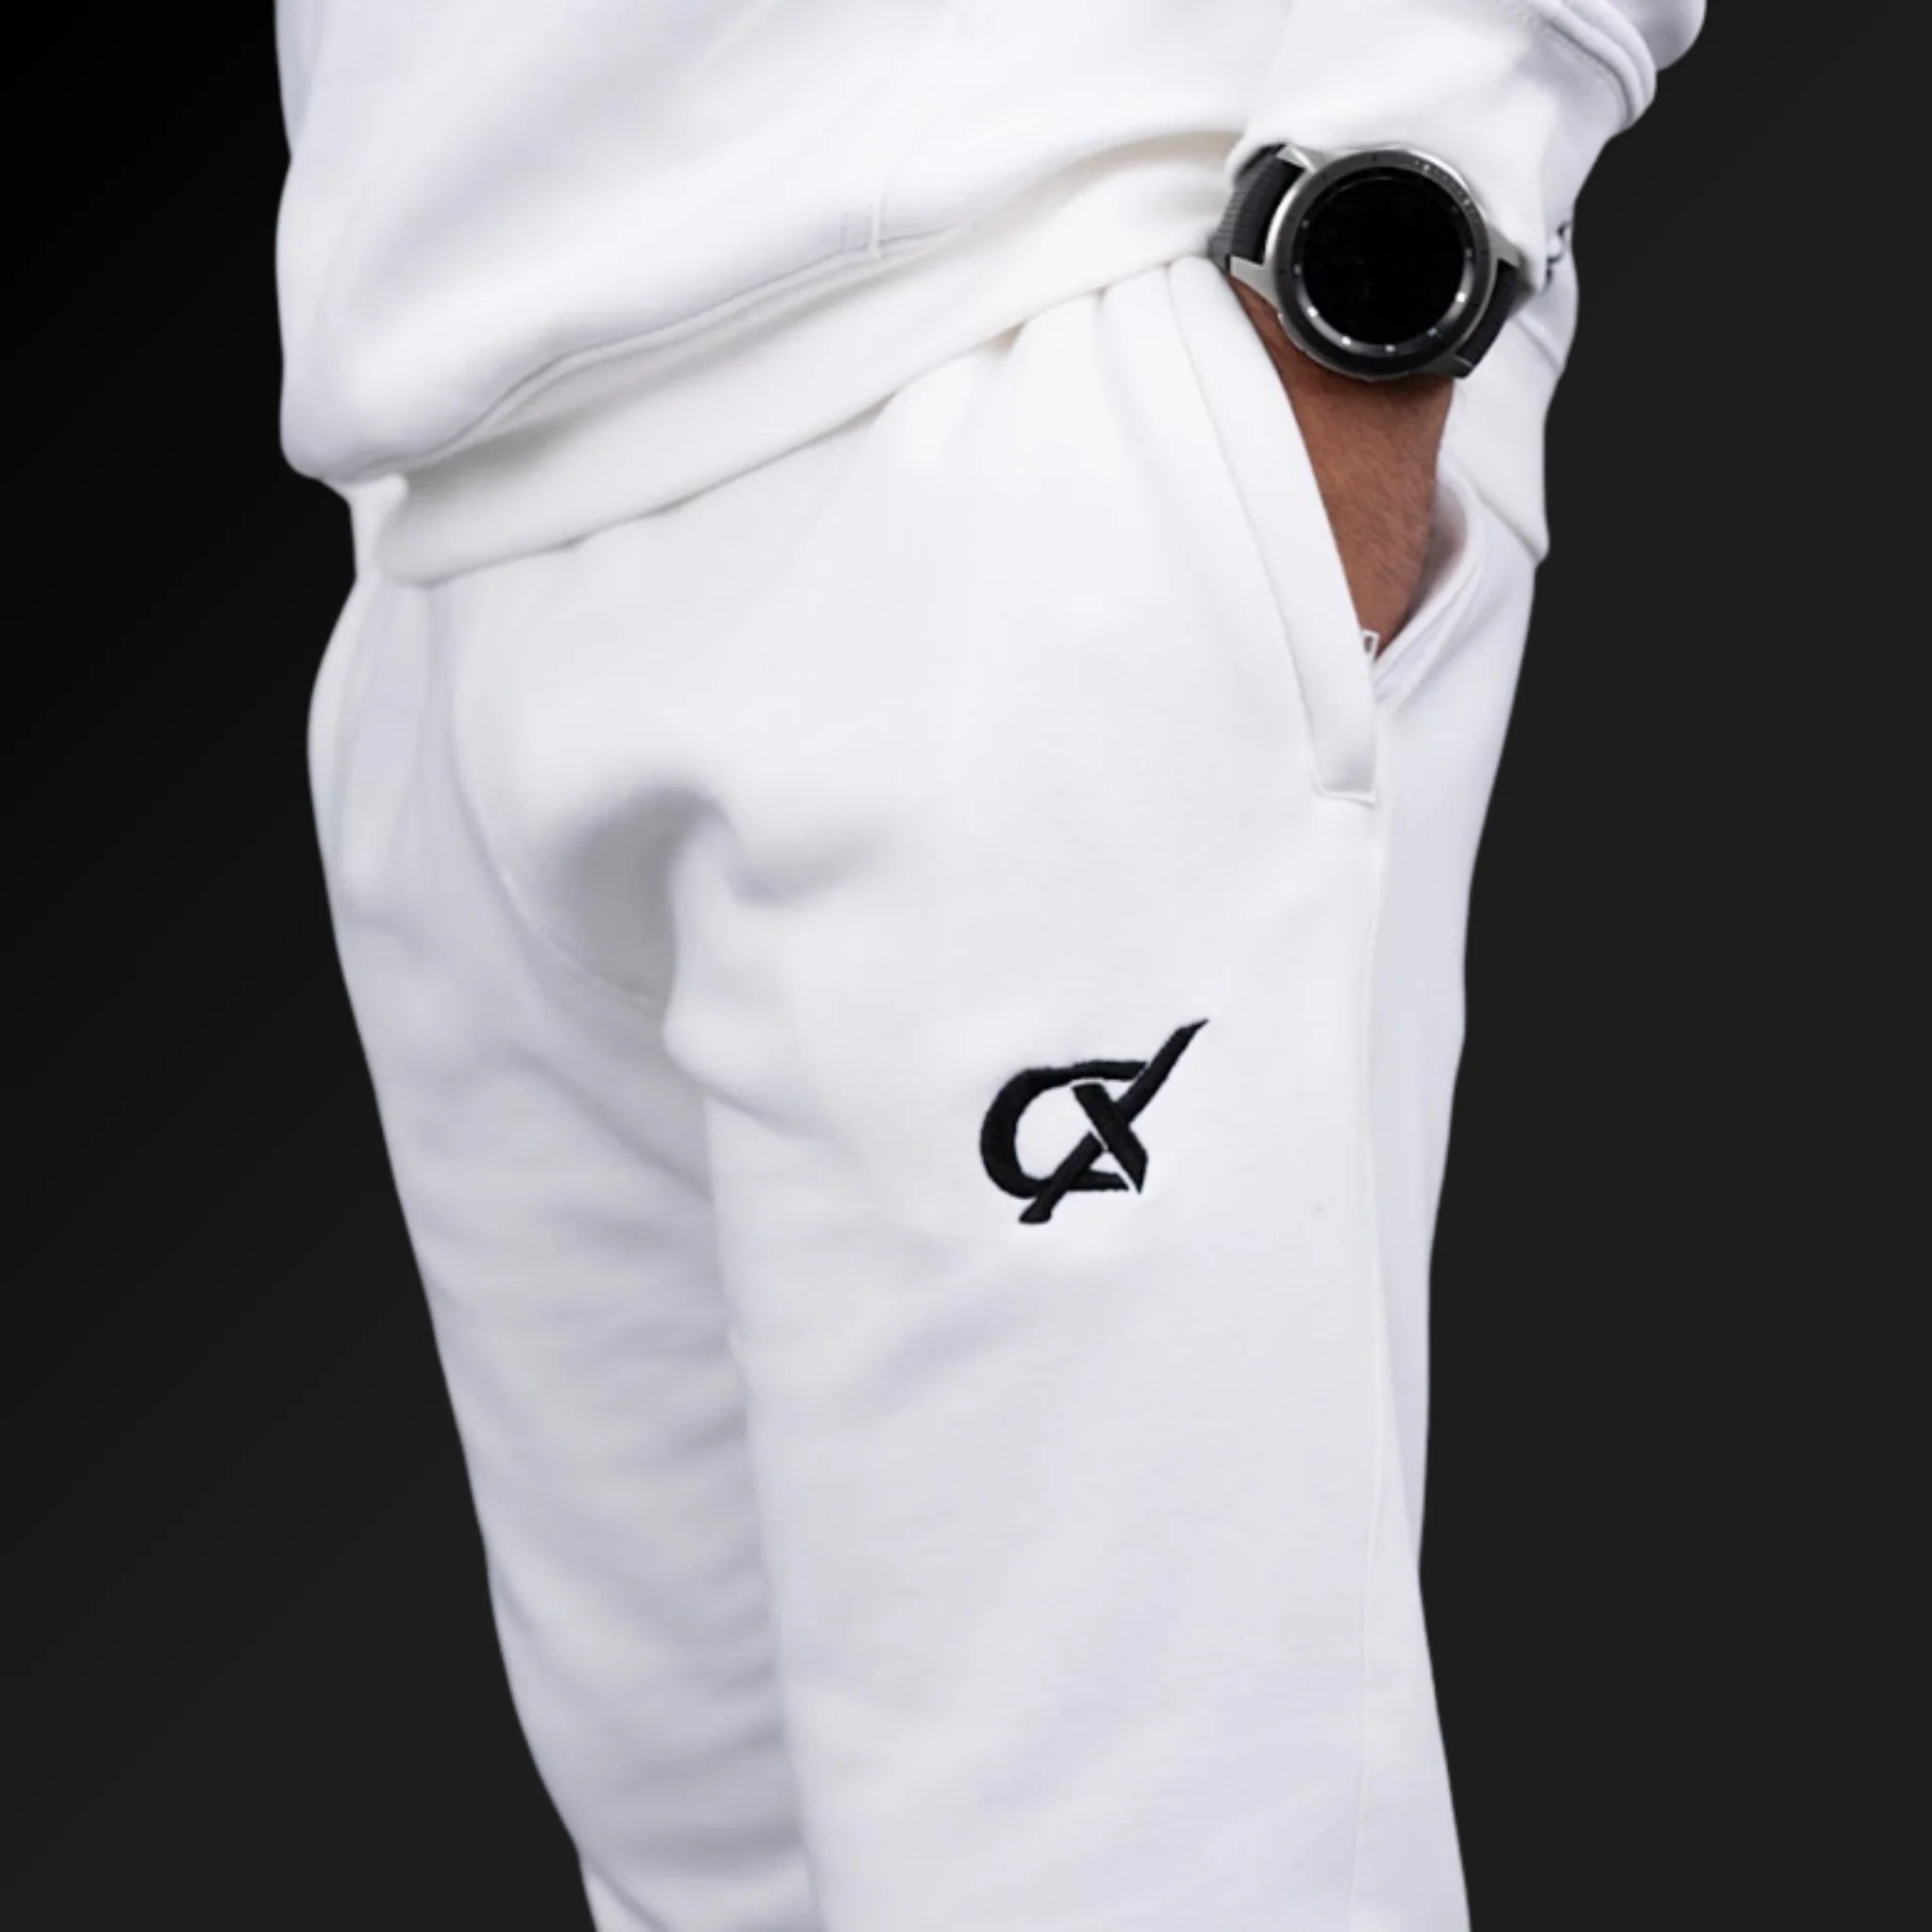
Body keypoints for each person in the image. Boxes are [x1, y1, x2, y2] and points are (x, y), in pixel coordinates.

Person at [277, 3, 1704, 1925]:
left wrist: (1423, 166)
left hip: (1017, 348)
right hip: (453, 483)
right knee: (709, 1883)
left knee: (1127, 1872)